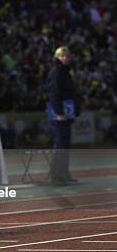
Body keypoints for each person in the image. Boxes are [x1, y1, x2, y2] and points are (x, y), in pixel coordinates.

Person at [46, 46, 78, 184]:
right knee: (60, 145)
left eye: (68, 56)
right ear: (58, 57)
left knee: (65, 145)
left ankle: (63, 174)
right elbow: (54, 94)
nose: (67, 58)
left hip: (67, 113)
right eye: (63, 56)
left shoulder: (66, 72)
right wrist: (59, 112)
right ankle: (56, 176)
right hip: (60, 115)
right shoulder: (56, 73)